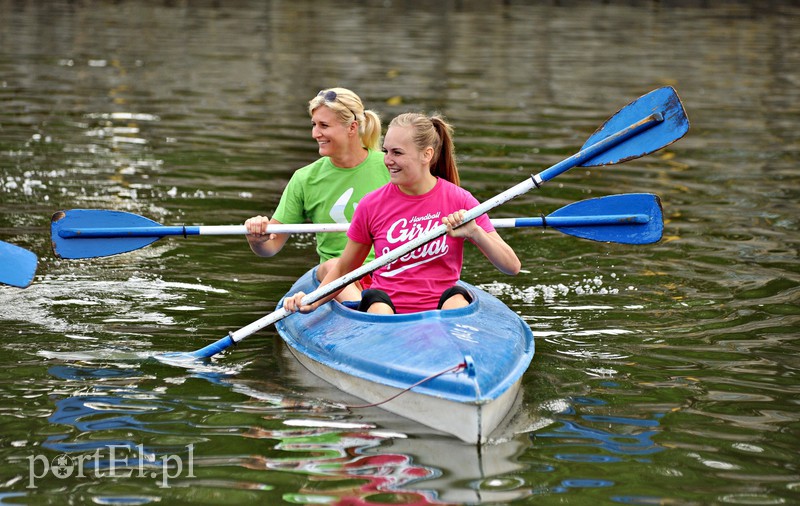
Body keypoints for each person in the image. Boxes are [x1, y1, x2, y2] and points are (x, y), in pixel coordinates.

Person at [283, 112, 520, 315]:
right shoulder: (371, 205)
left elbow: (512, 266)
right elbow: (345, 268)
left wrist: (476, 233)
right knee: (378, 306)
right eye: (386, 151)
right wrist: (313, 300)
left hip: (442, 306)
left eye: (397, 153)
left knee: (457, 300)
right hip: (385, 305)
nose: (387, 160)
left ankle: (452, 358)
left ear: (427, 155)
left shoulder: (460, 200)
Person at [244, 88, 389, 301]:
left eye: (324, 126)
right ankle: (364, 313)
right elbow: (271, 246)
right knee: (334, 265)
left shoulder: (391, 166)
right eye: (314, 125)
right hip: (339, 275)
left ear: (352, 127)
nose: (315, 134)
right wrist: (257, 239)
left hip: (391, 268)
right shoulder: (305, 179)